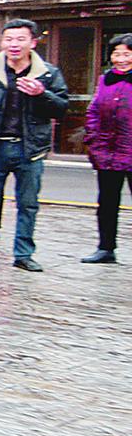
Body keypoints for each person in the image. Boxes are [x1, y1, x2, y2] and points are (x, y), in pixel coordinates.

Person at [0, 19, 69, 270]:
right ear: (2, 42)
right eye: (9, 39)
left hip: (29, 149)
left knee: (28, 204)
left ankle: (23, 254)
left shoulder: (48, 73)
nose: (14, 45)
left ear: (32, 42)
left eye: (20, 39)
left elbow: (62, 108)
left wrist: (42, 93)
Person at [82, 33, 132, 264]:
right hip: (108, 152)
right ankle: (106, 248)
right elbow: (93, 110)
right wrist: (93, 138)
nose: (121, 59)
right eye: (116, 54)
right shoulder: (105, 80)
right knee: (107, 202)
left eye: (127, 54)